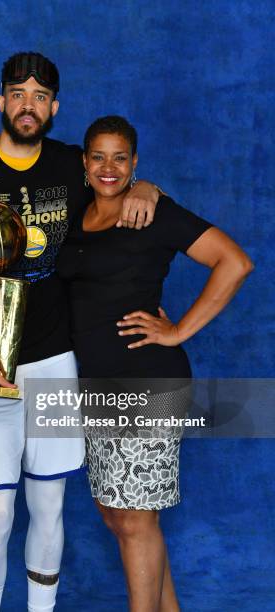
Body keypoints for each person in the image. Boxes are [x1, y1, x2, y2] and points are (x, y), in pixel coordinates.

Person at [0, 53, 162, 612]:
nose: (29, 105)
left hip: (54, 361)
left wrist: (145, 185)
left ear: (55, 107)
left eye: (40, 96)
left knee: (50, 505)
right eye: (17, 94)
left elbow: (116, 181)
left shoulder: (73, 165)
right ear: (1, 102)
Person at [56, 115, 253, 612]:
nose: (109, 167)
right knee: (115, 513)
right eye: (98, 156)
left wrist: (179, 330)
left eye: (120, 158)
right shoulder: (78, 211)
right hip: (97, 384)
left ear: (135, 163)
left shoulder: (151, 211)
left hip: (147, 382)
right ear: (84, 162)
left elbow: (235, 261)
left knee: (135, 520)